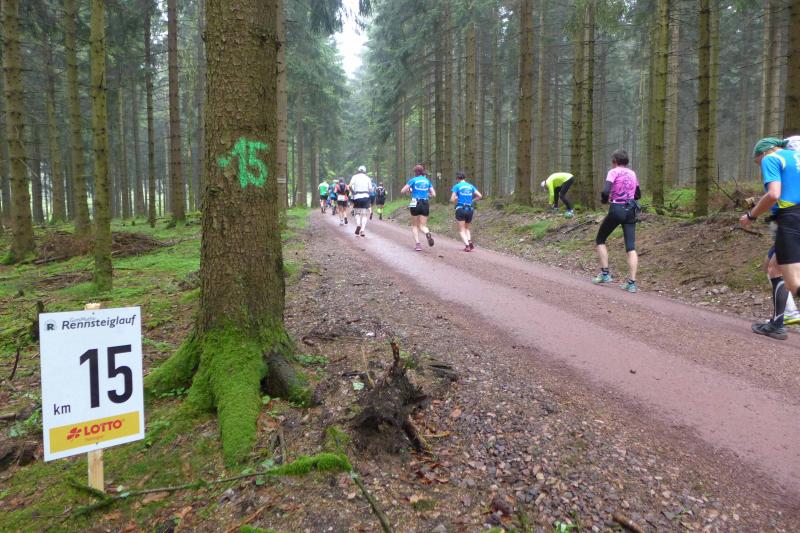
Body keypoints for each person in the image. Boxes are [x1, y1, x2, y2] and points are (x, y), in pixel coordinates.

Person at [741, 137, 800, 340]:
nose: (761, 167)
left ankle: (779, 323)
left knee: (790, 280)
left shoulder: (771, 158)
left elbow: (774, 194)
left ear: (763, 152)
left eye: (758, 162)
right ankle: (777, 324)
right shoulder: (796, 157)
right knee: (773, 267)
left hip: (791, 218)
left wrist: (751, 216)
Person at [592, 149, 641, 293]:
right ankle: (632, 283)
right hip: (631, 210)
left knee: (600, 239)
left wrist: (604, 200)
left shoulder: (613, 172)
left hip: (617, 209)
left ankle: (605, 274)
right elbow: (638, 194)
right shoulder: (632, 173)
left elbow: (606, 191)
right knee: (630, 247)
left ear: (614, 161)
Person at [400, 164, 436, 251]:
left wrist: (409, 190)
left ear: (415, 172)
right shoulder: (427, 181)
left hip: (415, 202)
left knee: (415, 225)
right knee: (423, 225)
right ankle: (427, 233)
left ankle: (418, 244)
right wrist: (426, 194)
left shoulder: (413, 180)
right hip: (425, 202)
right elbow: (434, 194)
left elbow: (402, 191)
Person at [450, 172, 482, 251]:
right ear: (465, 178)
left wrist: (456, 199)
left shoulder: (457, 186)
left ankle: (467, 245)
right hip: (470, 209)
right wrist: (472, 200)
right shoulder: (470, 186)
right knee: (467, 228)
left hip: (461, 209)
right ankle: (469, 240)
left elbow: (452, 199)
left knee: (461, 230)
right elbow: (480, 196)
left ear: (457, 179)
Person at [349, 165, 372, 237]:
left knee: (357, 213)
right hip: (365, 197)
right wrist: (368, 194)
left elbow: (350, 186)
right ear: (365, 171)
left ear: (358, 170)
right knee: (364, 214)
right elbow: (370, 189)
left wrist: (353, 192)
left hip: (357, 197)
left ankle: (358, 224)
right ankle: (362, 230)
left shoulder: (354, 177)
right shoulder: (367, 178)